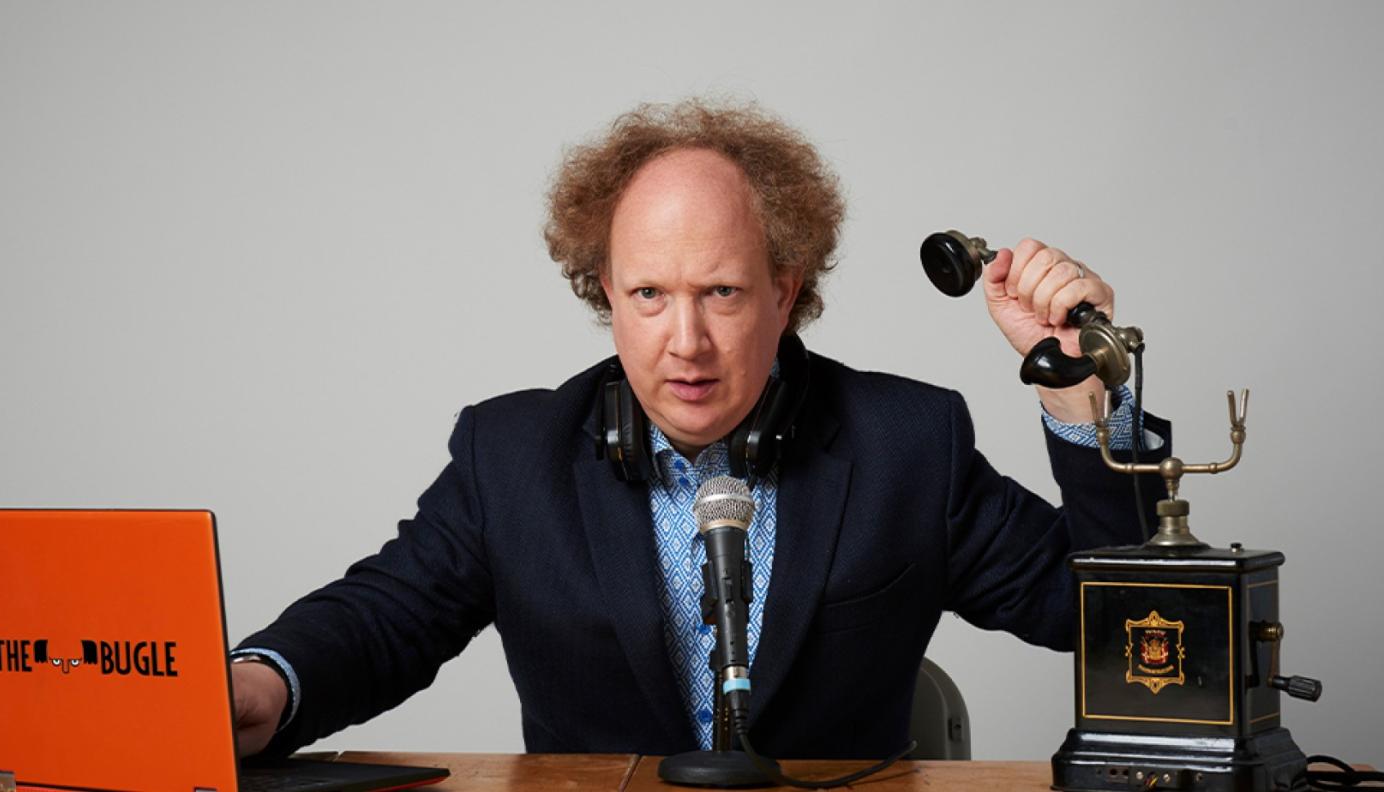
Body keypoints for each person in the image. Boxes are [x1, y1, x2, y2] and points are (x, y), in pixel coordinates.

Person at [229, 99, 1169, 760]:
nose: (686, 343)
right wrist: (264, 684)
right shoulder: (509, 455)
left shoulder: (907, 443)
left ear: (785, 291)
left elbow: (1123, 630)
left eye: (721, 291)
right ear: (607, 294)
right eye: (648, 295)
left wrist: (1082, 398)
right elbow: (386, 617)